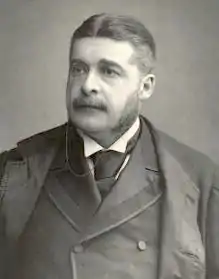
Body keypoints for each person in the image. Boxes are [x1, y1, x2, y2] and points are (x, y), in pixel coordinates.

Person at [0, 13, 218, 279]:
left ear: (145, 87)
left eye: (109, 71)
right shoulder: (13, 172)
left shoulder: (200, 181)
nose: (88, 85)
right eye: (78, 69)